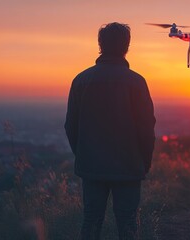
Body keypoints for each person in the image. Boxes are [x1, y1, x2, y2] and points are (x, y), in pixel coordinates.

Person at [65, 22, 156, 240]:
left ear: (100, 45)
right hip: (129, 166)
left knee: (91, 221)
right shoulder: (136, 82)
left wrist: (84, 156)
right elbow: (146, 127)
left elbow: (71, 126)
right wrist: (143, 162)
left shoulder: (81, 80)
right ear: (127, 45)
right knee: (128, 224)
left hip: (92, 166)